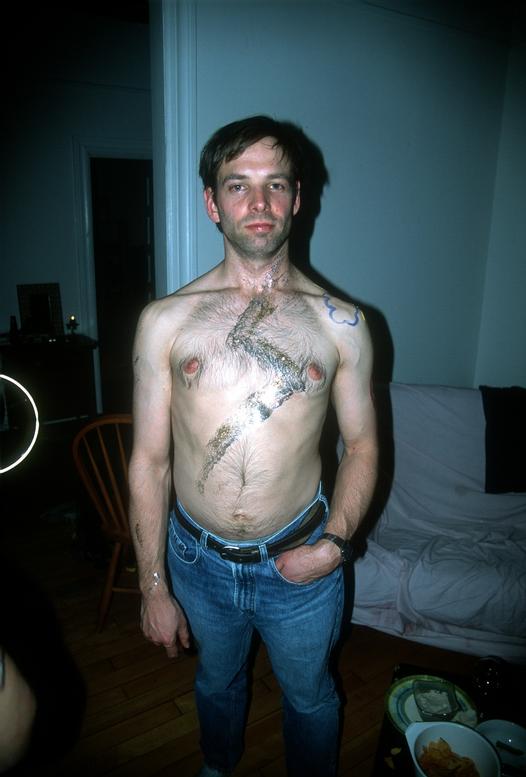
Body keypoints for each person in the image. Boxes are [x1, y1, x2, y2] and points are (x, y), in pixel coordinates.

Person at [128, 115, 378, 777]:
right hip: (196, 560)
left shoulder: (344, 325)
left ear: (297, 199)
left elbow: (361, 446)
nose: (259, 202)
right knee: (216, 681)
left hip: (302, 563)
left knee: (311, 696)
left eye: (276, 184)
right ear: (212, 203)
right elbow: (149, 460)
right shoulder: (164, 322)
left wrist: (335, 545)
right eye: (238, 185)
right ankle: (218, 766)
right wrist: (152, 584)